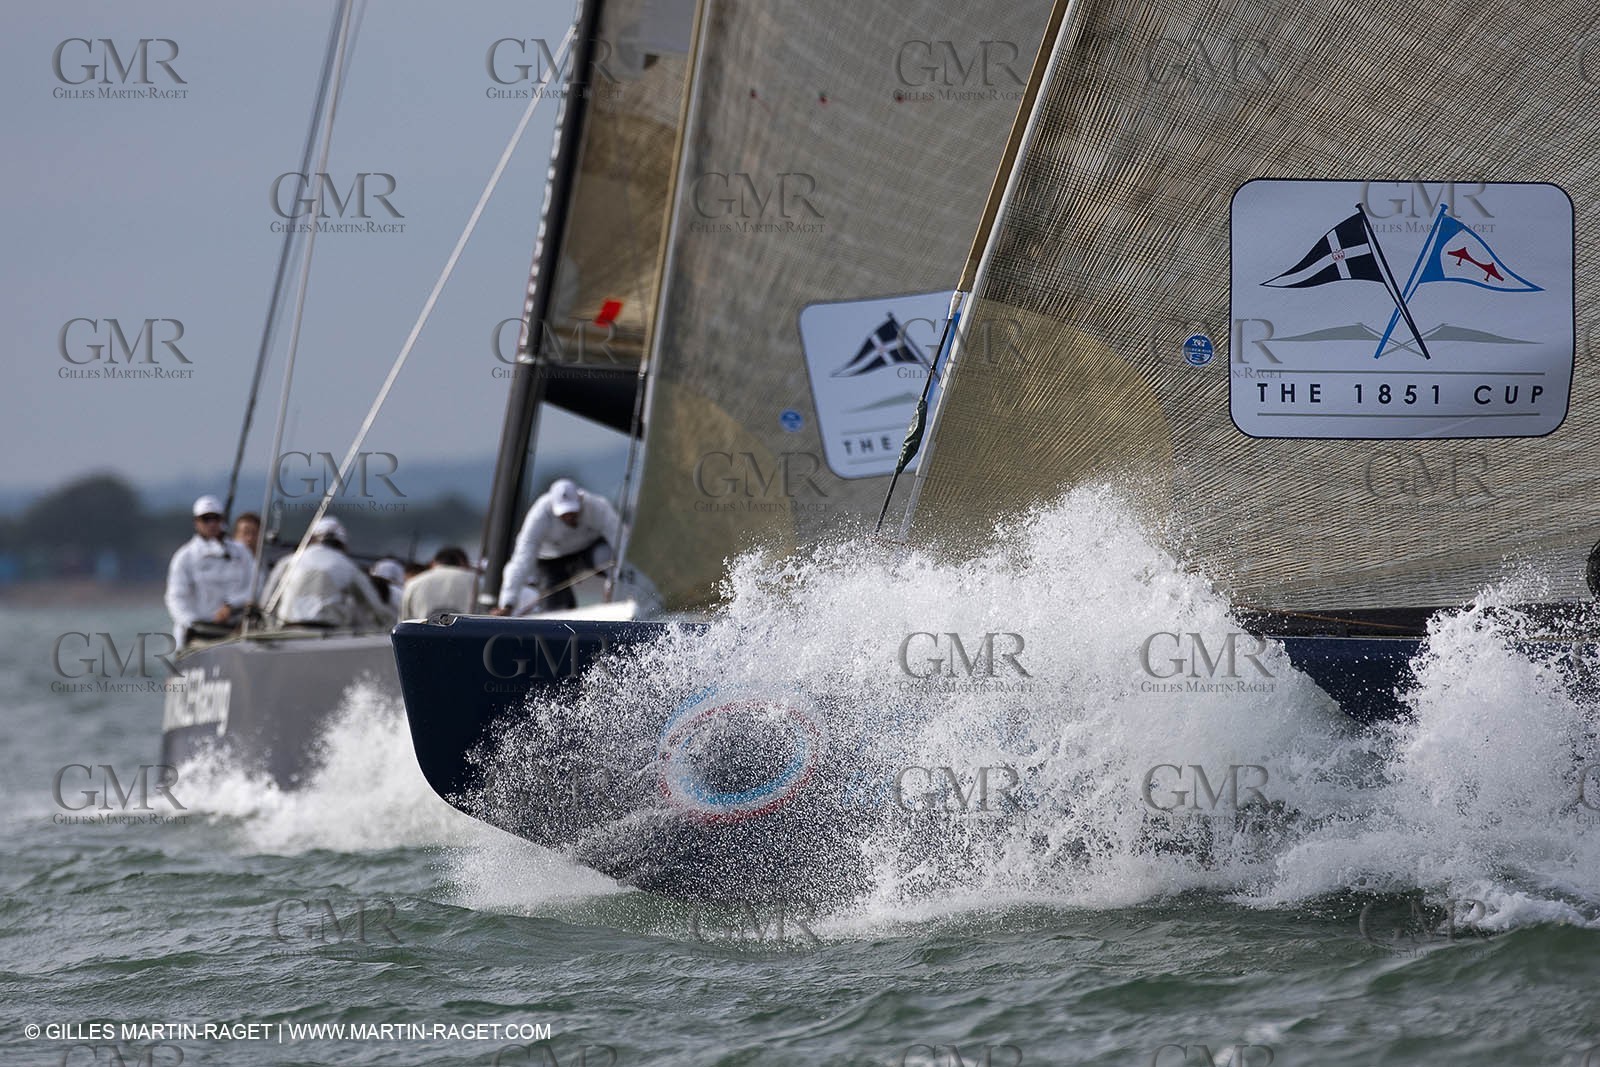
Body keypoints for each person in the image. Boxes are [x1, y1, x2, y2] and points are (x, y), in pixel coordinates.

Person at [492, 478, 623, 615]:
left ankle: (622, 600)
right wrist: (508, 602)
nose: (569, 517)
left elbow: (622, 543)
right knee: (556, 609)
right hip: (551, 561)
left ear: (580, 498)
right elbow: (522, 559)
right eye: (564, 514)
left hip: (589, 550)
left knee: (606, 557)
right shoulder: (539, 514)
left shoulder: (598, 506)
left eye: (573, 512)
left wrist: (613, 583)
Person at [262, 516, 395, 631]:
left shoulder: (288, 561)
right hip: (328, 632)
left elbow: (266, 602)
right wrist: (393, 625)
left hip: (287, 630)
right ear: (343, 545)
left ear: (311, 539)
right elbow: (375, 606)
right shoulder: (348, 566)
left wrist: (270, 628)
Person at [164, 495, 253, 646]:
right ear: (196, 522)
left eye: (216, 518)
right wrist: (194, 624)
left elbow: (255, 586)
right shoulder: (185, 557)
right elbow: (175, 598)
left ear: (222, 520)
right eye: (206, 519)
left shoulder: (241, 552)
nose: (211, 524)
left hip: (236, 630)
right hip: (200, 633)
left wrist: (231, 606)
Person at [400, 546, 478, 619]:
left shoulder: (413, 583)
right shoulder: (476, 581)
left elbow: (403, 624)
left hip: (424, 632)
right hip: (468, 633)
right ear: (463, 562)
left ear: (433, 562)